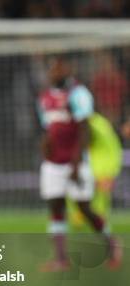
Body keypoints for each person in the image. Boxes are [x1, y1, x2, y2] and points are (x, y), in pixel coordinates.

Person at [37, 57, 122, 272]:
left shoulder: (79, 94)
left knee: (85, 209)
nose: (55, 72)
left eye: (59, 68)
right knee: (56, 207)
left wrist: (76, 162)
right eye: (52, 68)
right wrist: (45, 143)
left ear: (67, 70)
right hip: (52, 163)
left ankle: (112, 244)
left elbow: (84, 129)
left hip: (75, 162)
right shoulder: (45, 97)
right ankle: (60, 258)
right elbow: (50, 127)